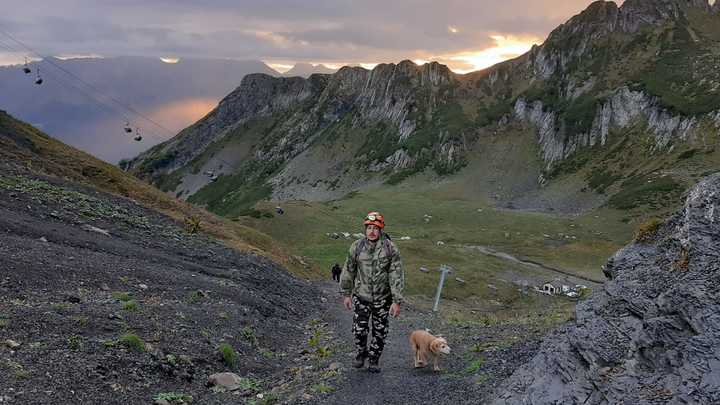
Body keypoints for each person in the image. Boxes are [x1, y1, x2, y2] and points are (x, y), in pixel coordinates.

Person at [340, 211, 404, 373]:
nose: (372, 231)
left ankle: (374, 359)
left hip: (383, 299)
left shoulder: (390, 248)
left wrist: (396, 301)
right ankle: (361, 354)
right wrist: (346, 294)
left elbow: (396, 274)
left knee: (380, 331)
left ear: (380, 229)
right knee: (359, 329)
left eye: (375, 228)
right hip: (361, 297)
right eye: (369, 228)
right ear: (365, 229)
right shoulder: (357, 246)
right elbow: (349, 270)